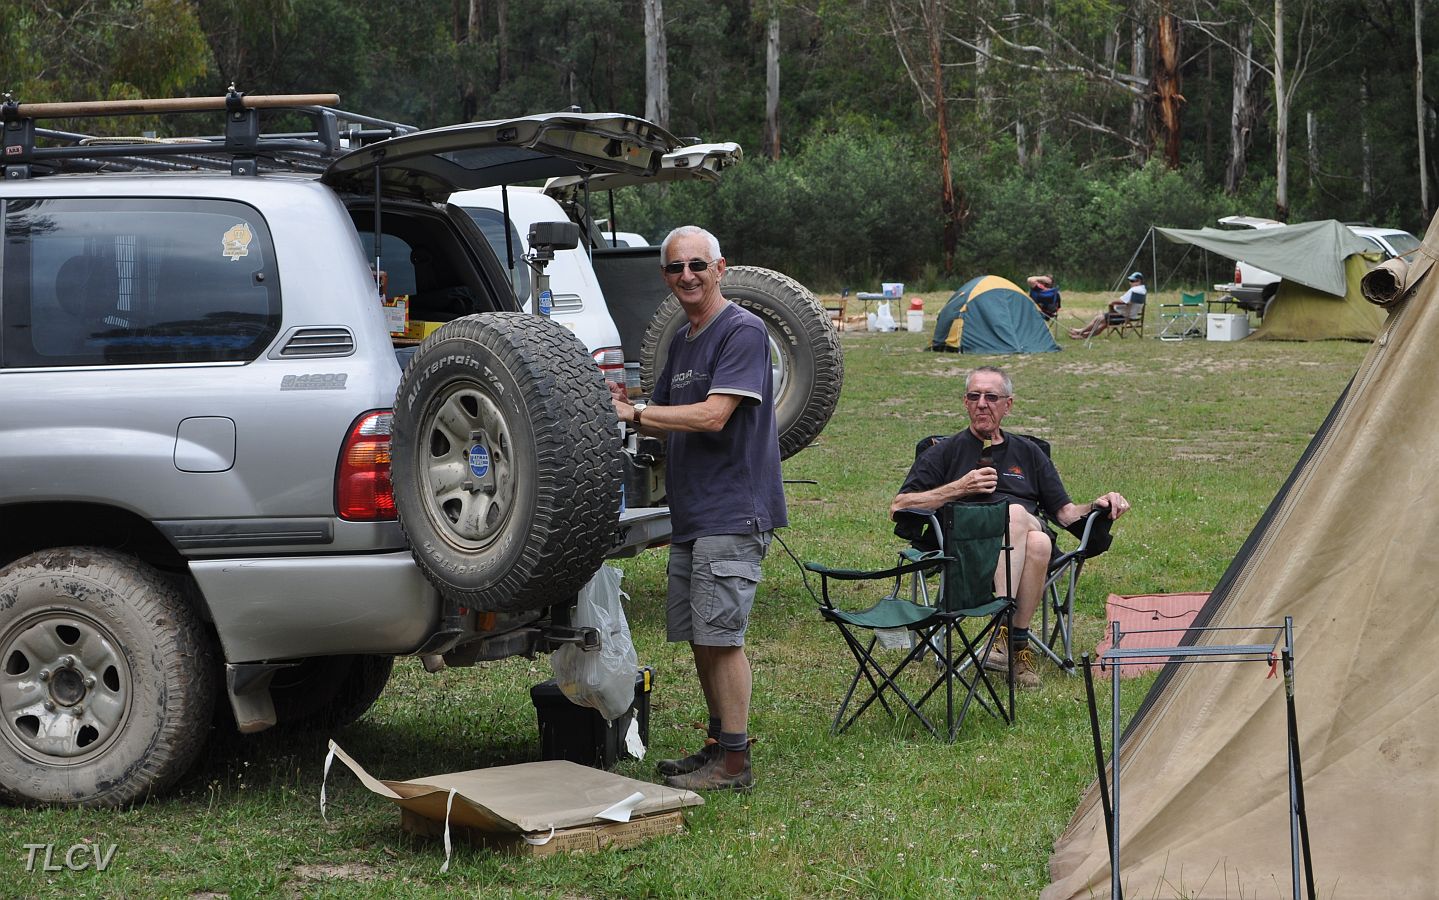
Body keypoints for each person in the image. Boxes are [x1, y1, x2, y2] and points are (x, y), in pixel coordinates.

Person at [609, 225, 786, 792]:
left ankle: (735, 763)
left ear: (720, 267)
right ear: (665, 276)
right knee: (699, 633)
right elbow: (661, 411)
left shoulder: (743, 330)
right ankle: (717, 746)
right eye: (675, 268)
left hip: (733, 510)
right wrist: (620, 406)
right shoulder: (683, 341)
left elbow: (713, 416)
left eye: (697, 265)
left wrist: (635, 416)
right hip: (692, 511)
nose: (687, 276)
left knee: (722, 635)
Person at [889, 365, 1130, 688]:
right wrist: (960, 487)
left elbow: (1066, 512)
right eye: (974, 396)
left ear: (1008, 405)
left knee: (1021, 521)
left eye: (991, 396)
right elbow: (900, 506)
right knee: (1034, 536)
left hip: (1019, 539)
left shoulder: (1028, 452)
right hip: (966, 549)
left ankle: (1007, 639)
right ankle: (1014, 641)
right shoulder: (942, 451)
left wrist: (1098, 505)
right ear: (965, 403)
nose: (982, 403)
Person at [1069, 271, 1146, 339]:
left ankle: (1080, 332)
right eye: (1130, 281)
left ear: (1139, 281)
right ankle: (1083, 336)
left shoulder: (1134, 290)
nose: (1130, 282)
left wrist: (1112, 302)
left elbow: (1123, 301)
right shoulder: (1143, 290)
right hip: (1132, 315)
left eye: (1132, 281)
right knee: (1103, 324)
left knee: (1098, 318)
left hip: (1123, 315)